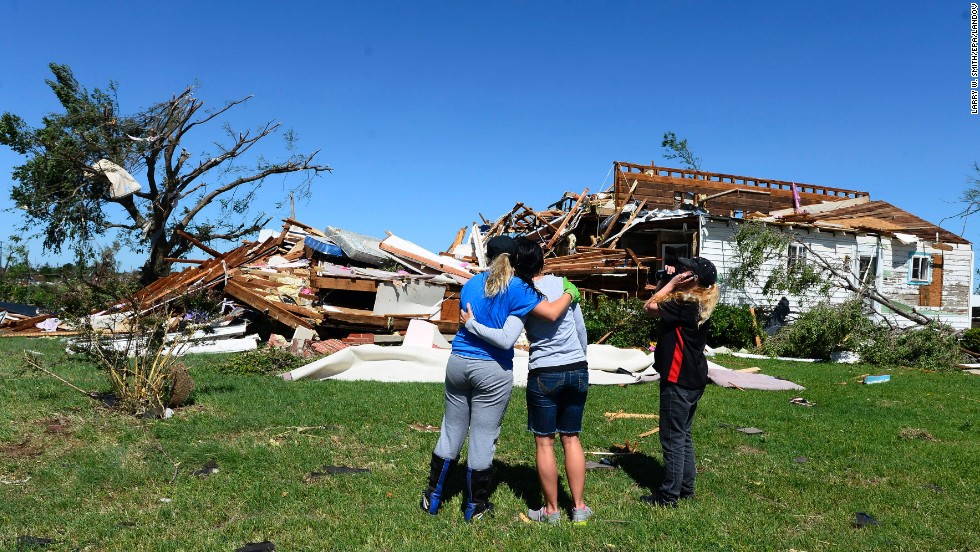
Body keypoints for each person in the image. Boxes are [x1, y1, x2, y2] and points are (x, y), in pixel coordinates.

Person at [420, 235, 579, 522]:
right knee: (483, 436)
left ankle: (433, 496)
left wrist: (473, 325)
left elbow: (467, 319)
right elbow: (534, 323)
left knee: (451, 429)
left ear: (488, 257)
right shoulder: (519, 289)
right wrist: (569, 290)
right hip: (491, 370)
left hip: (458, 363)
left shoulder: (469, 284)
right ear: (515, 259)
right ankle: (475, 506)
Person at [462, 238, 592, 525]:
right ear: (542, 261)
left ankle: (552, 511)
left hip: (545, 371)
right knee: (572, 439)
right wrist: (580, 360)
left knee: (545, 443)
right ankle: (580, 508)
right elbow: (580, 330)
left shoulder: (520, 292)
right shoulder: (563, 286)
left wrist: (472, 324)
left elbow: (509, 333)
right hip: (577, 368)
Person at [641, 256, 719, 508]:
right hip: (693, 376)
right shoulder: (698, 300)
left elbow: (649, 306)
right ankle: (686, 488)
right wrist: (669, 280)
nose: (682, 272)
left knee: (672, 437)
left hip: (679, 377)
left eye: (687, 271)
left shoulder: (685, 302)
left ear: (693, 280)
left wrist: (672, 283)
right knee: (683, 434)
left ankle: (668, 496)